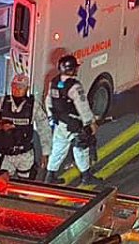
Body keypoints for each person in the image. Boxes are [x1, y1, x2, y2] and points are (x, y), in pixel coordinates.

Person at [0, 73, 51, 180]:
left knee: (25, 186)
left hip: (25, 155)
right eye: (14, 86)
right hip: (4, 155)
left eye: (20, 87)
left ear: (27, 88)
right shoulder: (0, 102)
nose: (16, 89)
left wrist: (45, 153)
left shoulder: (34, 106)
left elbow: (44, 129)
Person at [45, 55, 97, 183]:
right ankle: (86, 176)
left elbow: (48, 101)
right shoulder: (74, 86)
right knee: (81, 148)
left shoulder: (54, 82)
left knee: (58, 148)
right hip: (74, 123)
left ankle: (50, 175)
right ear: (72, 69)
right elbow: (82, 106)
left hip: (60, 122)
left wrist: (52, 116)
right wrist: (90, 123)